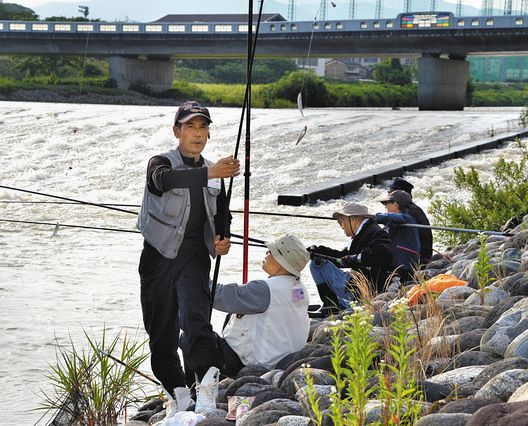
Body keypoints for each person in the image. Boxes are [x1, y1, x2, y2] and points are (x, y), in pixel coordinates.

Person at [136, 101, 240, 416]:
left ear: (207, 133)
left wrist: (223, 239)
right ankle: (180, 392)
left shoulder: (215, 174)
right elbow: (165, 181)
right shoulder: (159, 163)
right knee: (161, 329)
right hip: (159, 257)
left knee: (197, 319)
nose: (197, 134)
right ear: (177, 131)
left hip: (196, 255)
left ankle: (206, 388)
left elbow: (223, 215)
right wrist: (210, 171)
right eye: (190, 127)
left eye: (202, 127)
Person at [209, 234, 311, 373]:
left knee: (189, 338)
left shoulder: (264, 289)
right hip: (283, 361)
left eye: (270, 251)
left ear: (281, 261)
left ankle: (199, 389)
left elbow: (217, 296)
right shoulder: (300, 289)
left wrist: (196, 270)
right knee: (232, 314)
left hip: (257, 365)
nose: (266, 253)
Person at [307, 203, 393, 312]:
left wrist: (356, 258)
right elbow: (343, 258)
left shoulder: (374, 232)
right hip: (358, 286)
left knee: (316, 265)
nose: (341, 226)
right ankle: (332, 305)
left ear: (352, 219)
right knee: (317, 260)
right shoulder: (363, 233)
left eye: (341, 221)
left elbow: (385, 253)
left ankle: (332, 306)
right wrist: (320, 251)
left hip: (364, 289)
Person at [374, 190, 421, 283]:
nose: (385, 206)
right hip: (398, 262)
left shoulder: (407, 218)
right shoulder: (394, 221)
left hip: (404, 264)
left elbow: (395, 217)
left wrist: (372, 217)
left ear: (395, 205)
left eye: (387, 203)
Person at [388, 178, 433, 265]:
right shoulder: (413, 208)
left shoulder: (407, 212)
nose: (388, 194)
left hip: (418, 259)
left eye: (390, 191)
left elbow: (390, 237)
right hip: (422, 255)